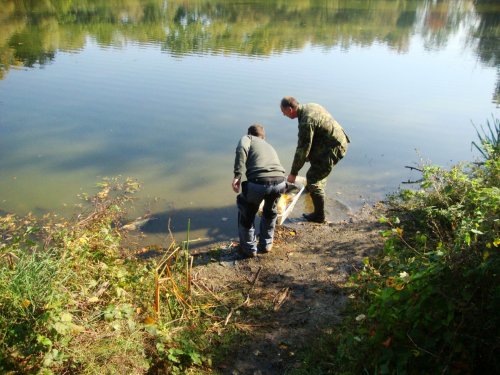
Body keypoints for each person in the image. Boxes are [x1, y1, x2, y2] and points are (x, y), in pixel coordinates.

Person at [280, 96, 350, 223]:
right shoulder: (310, 106)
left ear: (290, 109)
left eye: (283, 112)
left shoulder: (306, 121)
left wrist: (293, 173)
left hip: (333, 147)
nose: (283, 114)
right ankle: (312, 193)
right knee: (316, 171)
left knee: (313, 179)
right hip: (334, 141)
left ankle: (319, 216)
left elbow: (302, 149)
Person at [232, 124, 287, 257]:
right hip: (280, 182)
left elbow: (241, 149)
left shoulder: (248, 138)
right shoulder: (268, 145)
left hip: (259, 183)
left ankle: (249, 249)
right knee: (270, 212)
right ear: (263, 136)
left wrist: (237, 175)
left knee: (246, 211)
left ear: (249, 133)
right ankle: (266, 244)